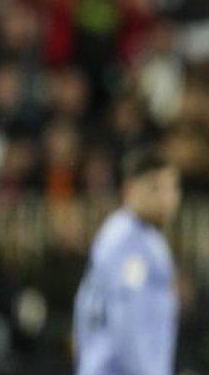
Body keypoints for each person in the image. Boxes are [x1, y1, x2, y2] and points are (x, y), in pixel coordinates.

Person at [73, 148, 182, 375]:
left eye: (171, 187)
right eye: (155, 188)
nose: (166, 197)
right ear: (130, 188)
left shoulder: (145, 237)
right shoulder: (127, 242)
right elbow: (128, 320)